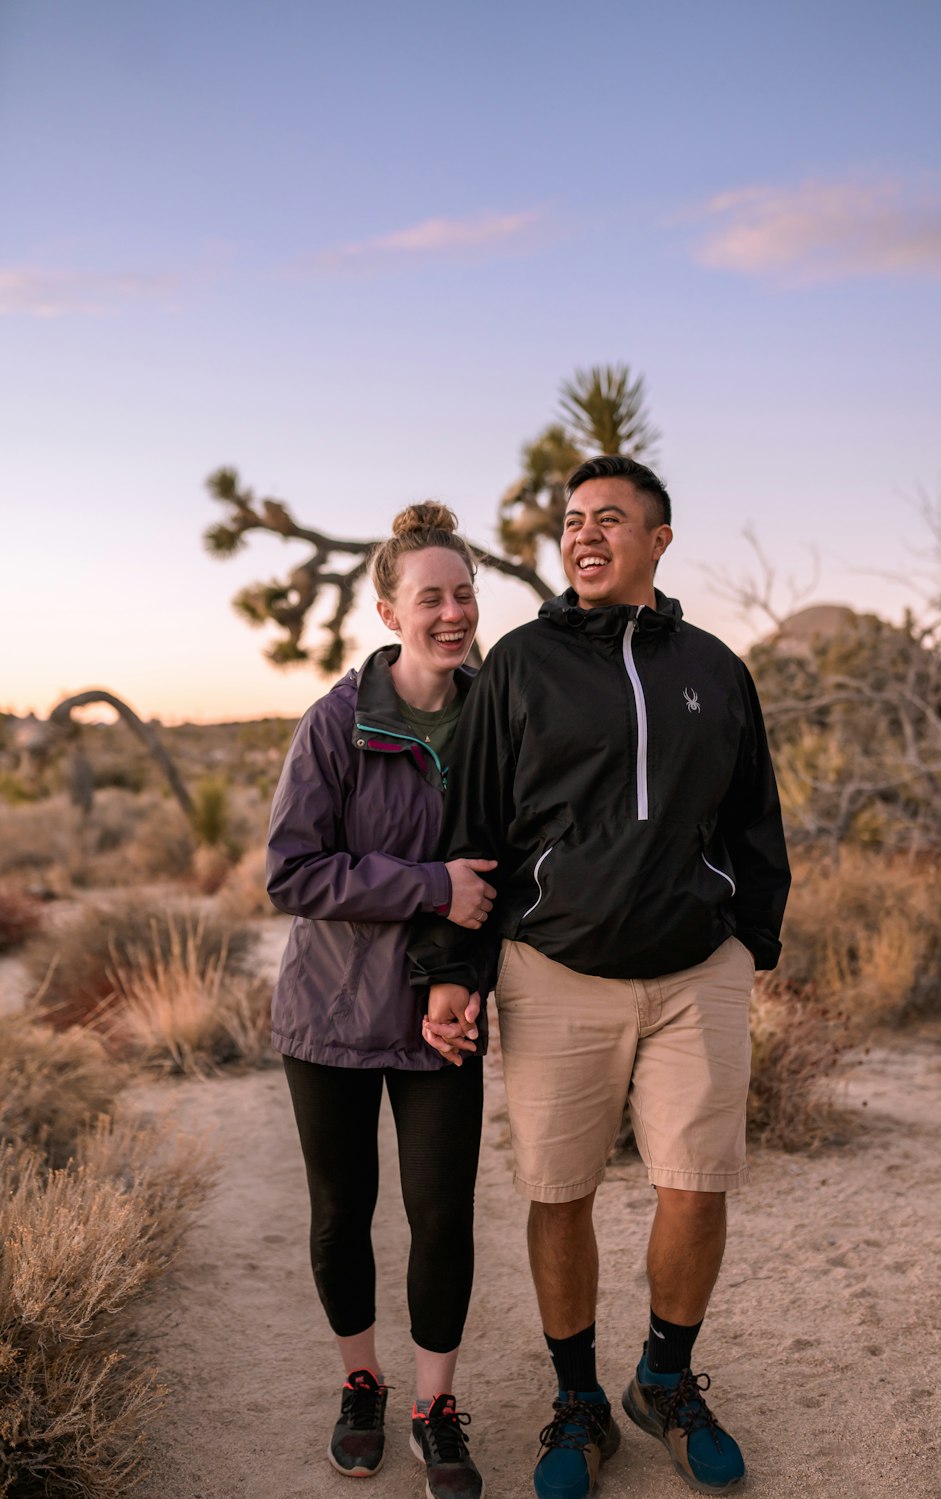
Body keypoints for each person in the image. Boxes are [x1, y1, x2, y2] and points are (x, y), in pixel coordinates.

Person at [413, 455, 790, 1499]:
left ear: (658, 539)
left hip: (692, 972)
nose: (584, 534)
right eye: (573, 519)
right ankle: (577, 1397)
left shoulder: (714, 668)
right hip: (555, 966)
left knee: (697, 1184)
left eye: (609, 518)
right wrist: (455, 969)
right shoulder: (520, 665)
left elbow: (753, 814)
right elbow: (473, 825)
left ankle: (662, 1379)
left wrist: (747, 938)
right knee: (558, 1188)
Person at [266, 503, 496, 1499]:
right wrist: (429, 883)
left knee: (442, 1214)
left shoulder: (500, 713)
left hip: (446, 1012)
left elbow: (513, 869)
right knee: (341, 1212)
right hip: (329, 1013)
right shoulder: (336, 720)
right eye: (431, 597)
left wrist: (464, 971)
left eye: (463, 593)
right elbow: (292, 872)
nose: (452, 612)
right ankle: (359, 1380)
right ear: (390, 608)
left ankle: (432, 1403)